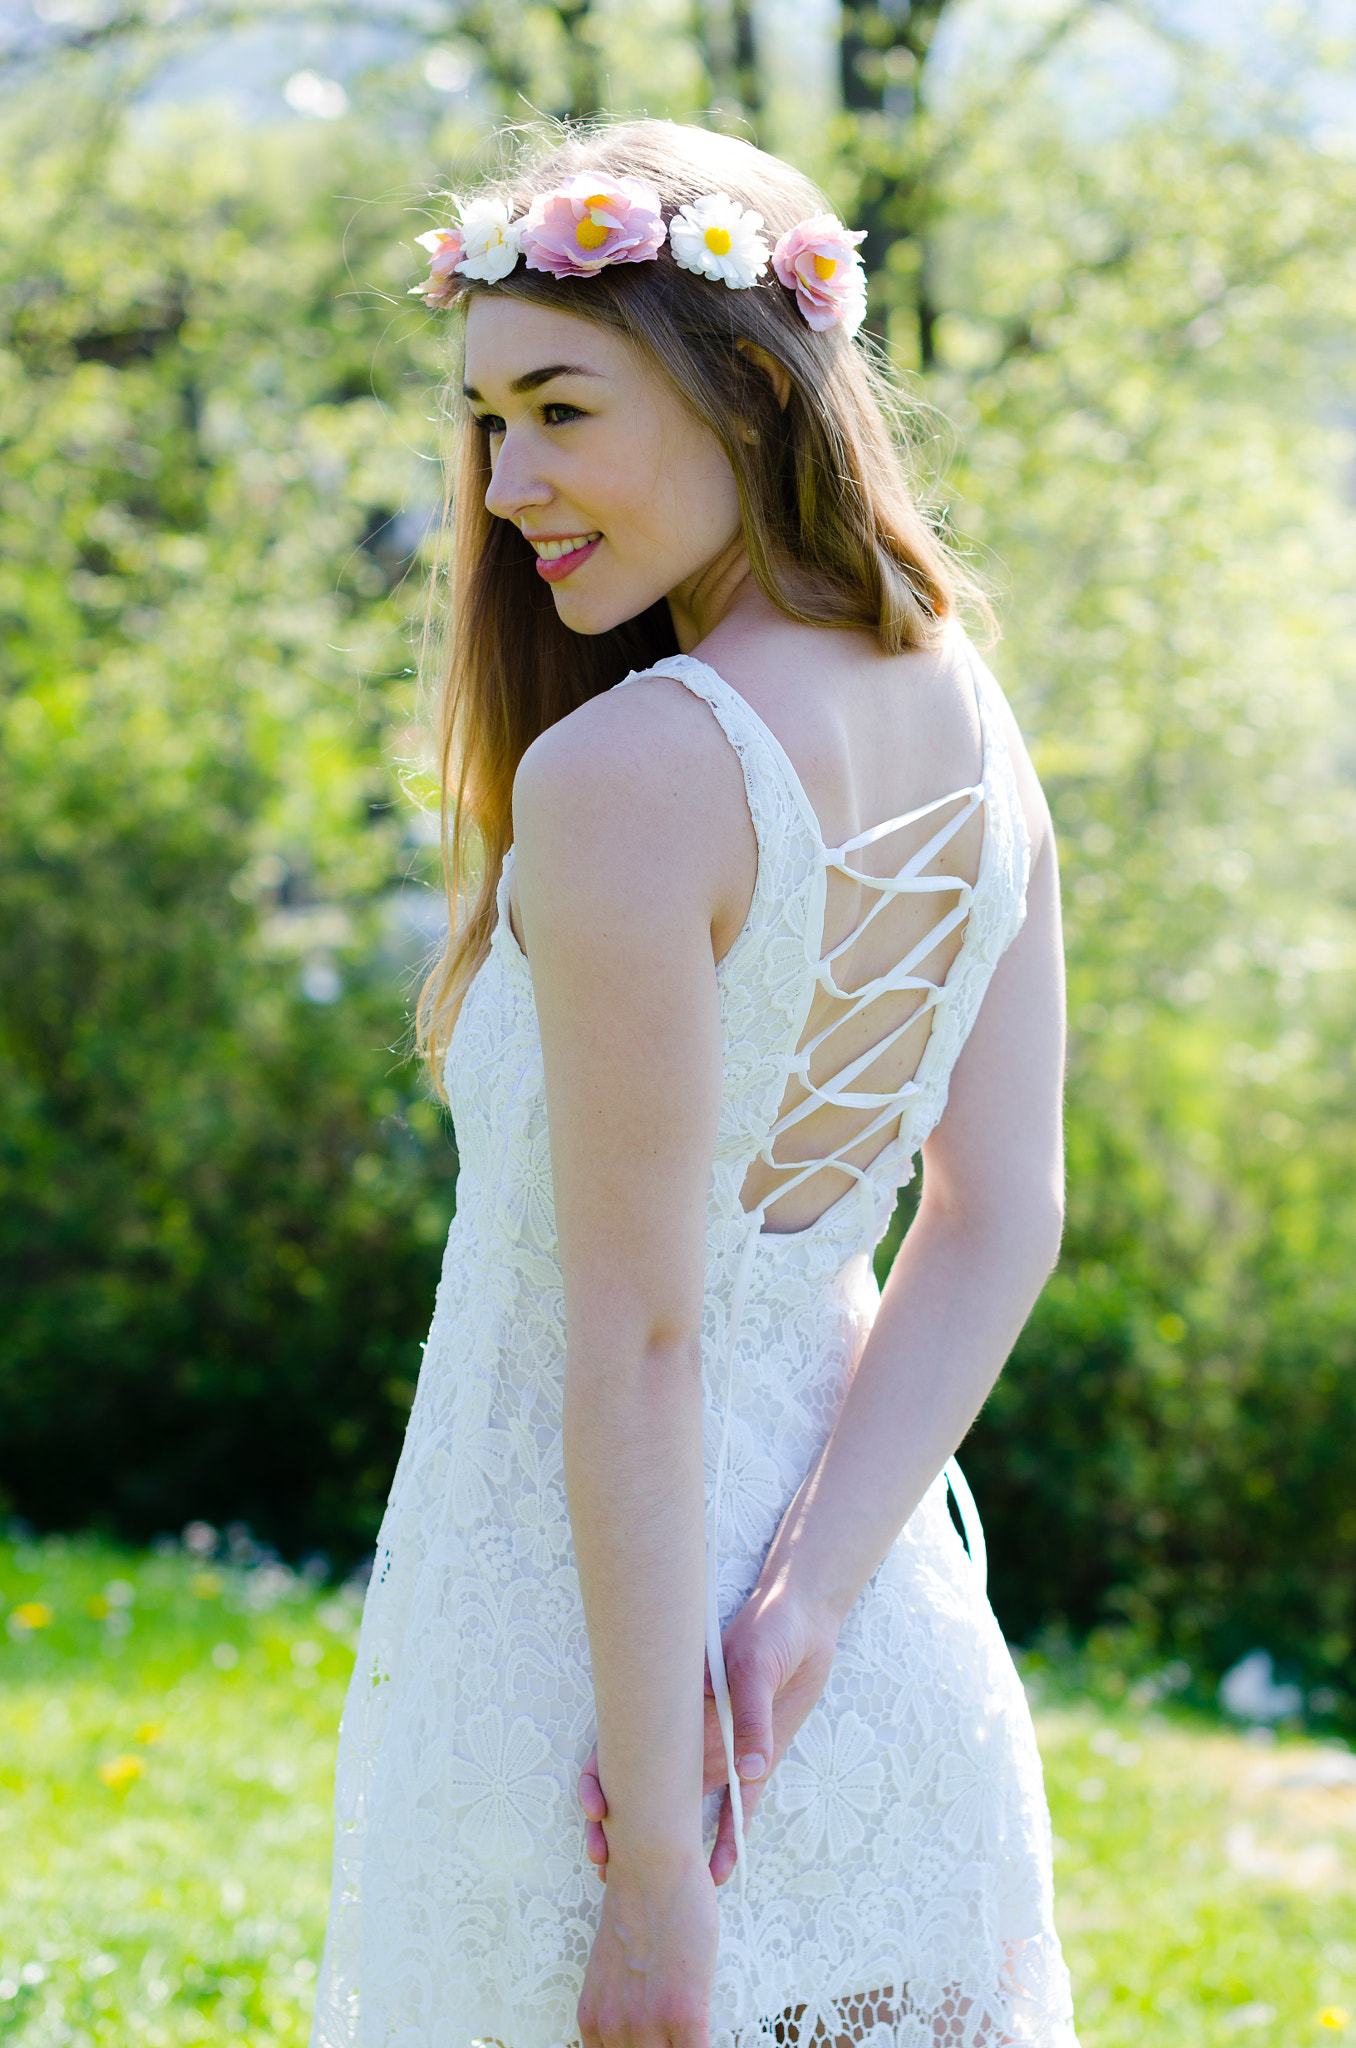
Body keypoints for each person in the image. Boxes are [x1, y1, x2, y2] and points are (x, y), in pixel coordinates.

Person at [311, 119, 1075, 2048]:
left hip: (611, 1685)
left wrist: (656, 1866)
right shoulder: (972, 717)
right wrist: (812, 1602)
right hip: (858, 1648)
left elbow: (639, 1343)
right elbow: (999, 1222)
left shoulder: (639, 772)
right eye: (486, 423)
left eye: (560, 409)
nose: (505, 486)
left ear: (745, 382)